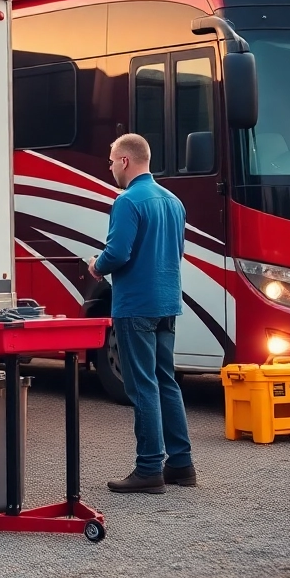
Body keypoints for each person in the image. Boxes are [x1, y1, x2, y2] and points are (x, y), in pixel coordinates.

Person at [88, 133, 195, 494]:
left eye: (111, 160)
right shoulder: (174, 202)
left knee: (142, 385)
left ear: (125, 161)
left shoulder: (128, 201)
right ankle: (181, 465)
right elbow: (176, 252)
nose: (109, 167)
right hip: (167, 303)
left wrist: (96, 266)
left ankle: (149, 467)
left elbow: (117, 253)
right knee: (166, 380)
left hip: (135, 305)